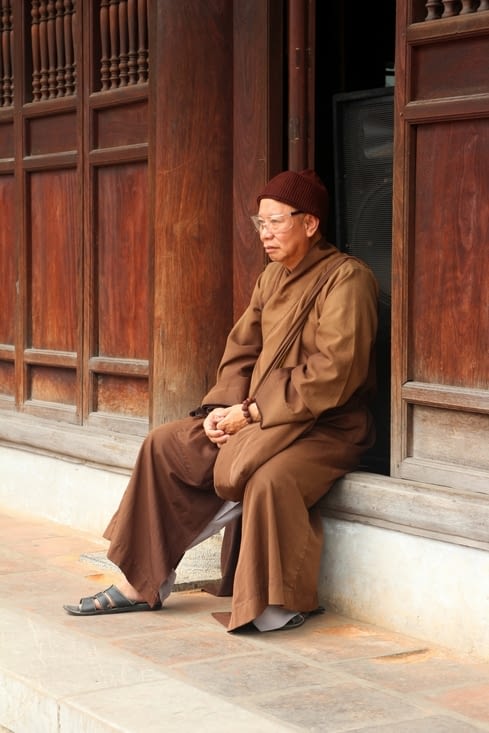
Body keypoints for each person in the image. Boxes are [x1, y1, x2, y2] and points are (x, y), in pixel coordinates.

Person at [64, 169, 379, 632]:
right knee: (165, 445)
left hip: (327, 426)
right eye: (260, 223)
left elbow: (334, 372)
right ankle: (141, 583)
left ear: (310, 224)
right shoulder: (272, 279)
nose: (265, 234)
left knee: (270, 478)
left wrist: (251, 413)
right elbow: (242, 351)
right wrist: (218, 413)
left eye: (275, 222)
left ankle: (275, 605)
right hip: (256, 417)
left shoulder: (347, 280)